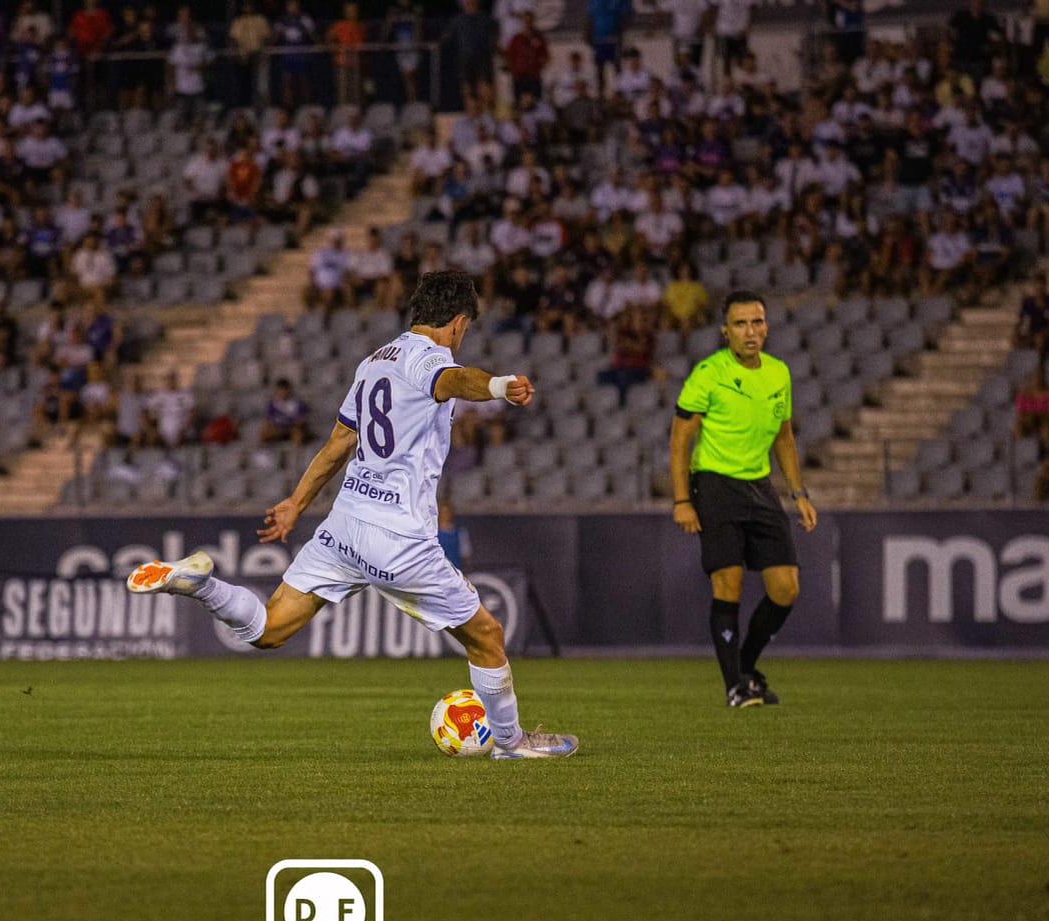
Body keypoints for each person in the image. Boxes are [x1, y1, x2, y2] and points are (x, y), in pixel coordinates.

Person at [125, 270, 577, 760]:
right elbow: (454, 380)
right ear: (457, 322)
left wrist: (296, 503)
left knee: (269, 629)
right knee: (487, 635)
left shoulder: (372, 362)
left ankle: (201, 584)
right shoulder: (430, 359)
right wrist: (499, 385)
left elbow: (339, 442)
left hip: (344, 524)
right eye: (465, 329)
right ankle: (510, 744)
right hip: (398, 536)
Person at [670, 291, 818, 708]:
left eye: (757, 323)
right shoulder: (708, 373)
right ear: (725, 331)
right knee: (728, 583)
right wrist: (682, 500)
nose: (750, 332)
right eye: (740, 324)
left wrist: (799, 492)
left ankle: (745, 667)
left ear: (766, 327)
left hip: (760, 486)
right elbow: (680, 438)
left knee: (785, 587)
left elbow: (784, 437)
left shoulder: (778, 373)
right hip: (715, 484)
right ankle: (735, 685)